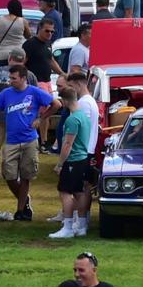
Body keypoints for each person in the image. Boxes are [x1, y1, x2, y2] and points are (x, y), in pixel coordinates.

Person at [0, 66, 59, 220]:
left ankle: (20, 211)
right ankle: (24, 200)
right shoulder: (5, 94)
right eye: (10, 78)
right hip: (11, 141)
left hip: (30, 140)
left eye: (14, 78)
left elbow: (57, 104)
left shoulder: (35, 92)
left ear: (23, 78)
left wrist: (41, 118)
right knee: (9, 175)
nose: (10, 81)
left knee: (26, 176)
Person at [49, 87, 92, 239]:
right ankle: (81, 225)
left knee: (65, 192)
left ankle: (67, 227)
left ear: (65, 101)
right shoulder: (84, 117)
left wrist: (60, 164)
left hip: (73, 159)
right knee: (79, 192)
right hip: (83, 158)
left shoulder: (72, 119)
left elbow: (67, 144)